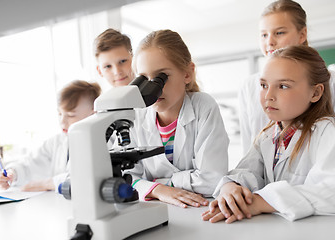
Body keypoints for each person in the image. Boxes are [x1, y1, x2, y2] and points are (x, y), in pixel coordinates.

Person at [202, 45, 335, 223]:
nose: (268, 96)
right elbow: (246, 172)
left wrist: (261, 202)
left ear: (316, 92)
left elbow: (330, 191)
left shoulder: (327, 131)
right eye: (264, 85)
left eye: (283, 86)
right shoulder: (267, 135)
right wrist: (231, 187)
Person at [125, 29, 229, 208]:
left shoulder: (204, 107)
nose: (153, 89)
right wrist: (159, 190)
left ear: (187, 74)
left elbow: (213, 179)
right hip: (156, 209)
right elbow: (127, 178)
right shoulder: (136, 117)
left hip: (199, 210)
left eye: (160, 78)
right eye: (144, 79)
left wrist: (155, 183)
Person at [238, 0, 335, 154]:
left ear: (302, 34)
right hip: (265, 172)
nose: (269, 41)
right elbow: (249, 144)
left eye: (279, 33)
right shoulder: (250, 85)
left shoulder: (329, 80)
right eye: (264, 35)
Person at [0, 80, 101, 192]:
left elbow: (84, 178)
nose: (62, 122)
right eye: (60, 114)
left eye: (70, 115)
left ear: (92, 115)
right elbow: (30, 164)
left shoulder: (103, 142)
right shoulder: (56, 142)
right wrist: (12, 173)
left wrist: (47, 184)